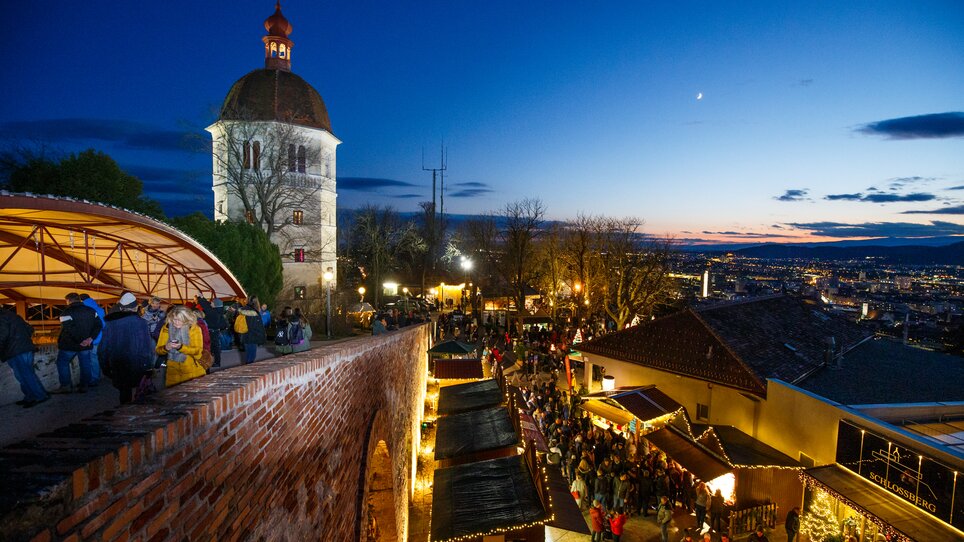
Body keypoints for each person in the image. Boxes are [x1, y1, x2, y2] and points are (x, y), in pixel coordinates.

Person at [99, 292, 154, 403]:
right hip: (137, 362)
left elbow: (104, 347)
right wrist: (148, 366)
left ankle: (125, 413)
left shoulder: (110, 323)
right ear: (135, 307)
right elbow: (146, 346)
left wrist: (105, 365)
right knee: (141, 390)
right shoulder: (141, 323)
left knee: (124, 392)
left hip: (118, 362)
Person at [54, 292, 103, 393]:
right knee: (85, 364)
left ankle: (66, 386)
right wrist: (90, 339)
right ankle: (84, 385)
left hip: (70, 345)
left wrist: (80, 340)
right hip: (86, 344)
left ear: (68, 300)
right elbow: (98, 325)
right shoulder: (91, 311)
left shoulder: (66, 312)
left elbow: (69, 329)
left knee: (62, 363)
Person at [0, 309, 49, 407]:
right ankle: (29, 397)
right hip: (25, 349)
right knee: (24, 375)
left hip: (15, 350)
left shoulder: (1, 317)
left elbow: (1, 336)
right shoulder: (13, 315)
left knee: (25, 375)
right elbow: (30, 329)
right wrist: (22, 340)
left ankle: (40, 396)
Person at [155, 305, 206, 387]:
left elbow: (197, 351)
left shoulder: (194, 328)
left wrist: (181, 347)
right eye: (174, 319)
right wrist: (166, 348)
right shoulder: (165, 329)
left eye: (180, 320)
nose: (176, 322)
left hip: (192, 369)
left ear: (187, 319)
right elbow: (158, 350)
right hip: (173, 371)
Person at [79, 294, 104, 385]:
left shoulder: (82, 309)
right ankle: (95, 378)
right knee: (94, 359)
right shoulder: (100, 309)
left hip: (86, 338)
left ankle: (88, 379)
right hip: (98, 338)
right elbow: (103, 325)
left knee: (86, 360)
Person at [238, 297, 266, 364]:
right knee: (251, 357)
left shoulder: (243, 310)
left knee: (248, 355)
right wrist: (262, 337)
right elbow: (258, 327)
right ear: (256, 303)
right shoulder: (254, 313)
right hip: (253, 337)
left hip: (244, 335)